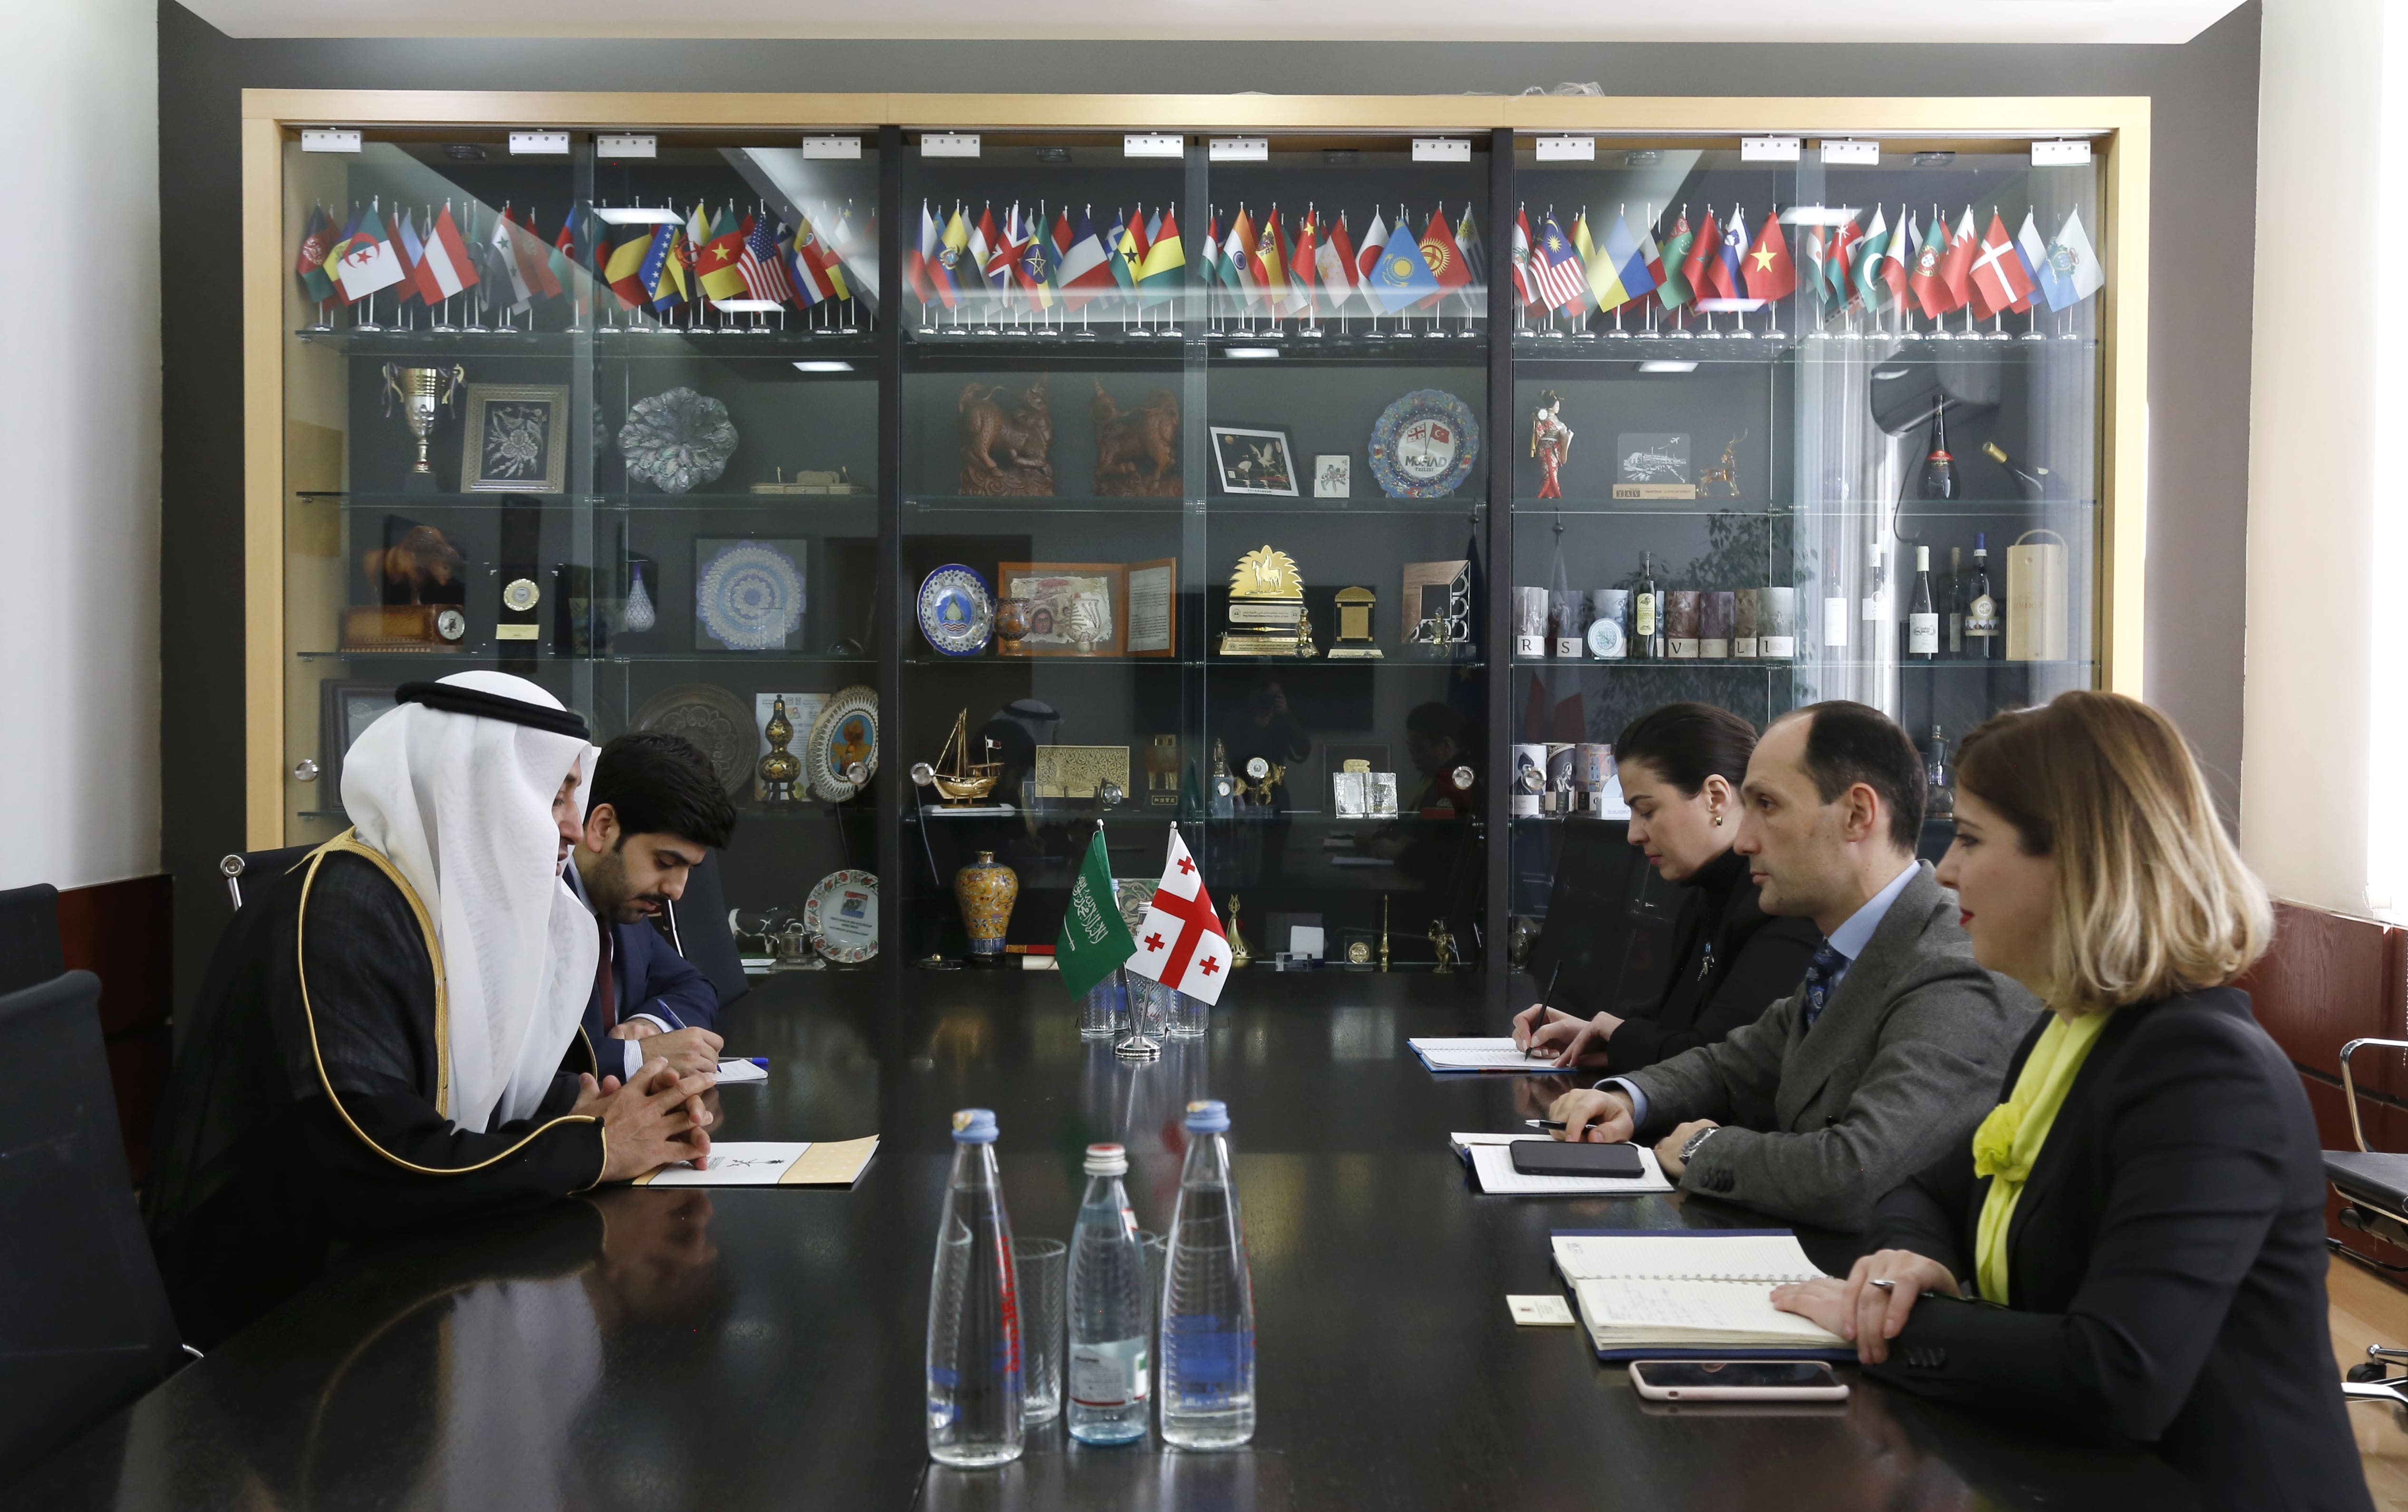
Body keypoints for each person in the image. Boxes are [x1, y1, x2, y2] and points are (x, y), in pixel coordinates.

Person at [1769, 693, 2369, 1512]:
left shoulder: (2202, 1073)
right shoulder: (2069, 1035)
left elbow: (2115, 1375)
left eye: (1970, 838)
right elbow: (1920, 1191)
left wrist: (1878, 1321)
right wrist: (1902, 1266)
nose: (1944, 870)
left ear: (2081, 862)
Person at [144, 673, 716, 1346]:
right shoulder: (344, 912)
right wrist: (596, 1147)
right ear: (472, 787)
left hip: (409, 1275)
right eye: (554, 795)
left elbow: (483, 1078)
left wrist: (612, 1106)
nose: (571, 826)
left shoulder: (452, 905)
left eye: (573, 795)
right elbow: (378, 1159)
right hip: (292, 1314)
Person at [1547, 700, 2034, 1231]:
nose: (1743, 839)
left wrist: (1703, 1148)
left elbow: (1855, 1175)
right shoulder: (1853, 949)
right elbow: (1731, 1066)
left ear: (1857, 815)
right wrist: (1628, 1099)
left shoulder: (1952, 970)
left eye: (1768, 805)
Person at [1511, 703, 1819, 1075]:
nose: (1633, 835)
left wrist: (1618, 1037)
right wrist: (1594, 1033)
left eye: (1647, 811)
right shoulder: (1703, 899)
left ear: (1716, 797)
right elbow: (1676, 1024)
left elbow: (1716, 1059)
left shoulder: (1780, 904)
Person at [567, 731, 738, 1083]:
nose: (676, 891)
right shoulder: (536, 912)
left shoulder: (623, 906)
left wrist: (651, 1025)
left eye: (690, 869)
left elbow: (695, 985)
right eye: (665, 862)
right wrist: (635, 1057)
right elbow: (521, 1075)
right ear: (603, 827)